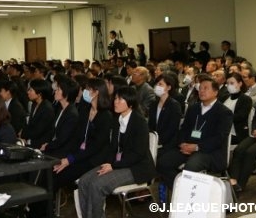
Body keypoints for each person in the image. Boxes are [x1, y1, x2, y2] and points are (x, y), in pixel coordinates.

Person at [77, 86, 156, 218]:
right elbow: (112, 147)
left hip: (137, 167)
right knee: (84, 182)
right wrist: (109, 163)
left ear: (130, 103)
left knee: (97, 185)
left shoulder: (139, 122)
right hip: (118, 163)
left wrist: (113, 165)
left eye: (120, 99)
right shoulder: (117, 119)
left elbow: (138, 154)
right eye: (115, 98)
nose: (115, 102)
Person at [156, 75, 233, 187]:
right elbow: (183, 129)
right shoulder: (194, 108)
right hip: (187, 148)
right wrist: (182, 143)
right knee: (163, 162)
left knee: (191, 166)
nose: (201, 91)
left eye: (205, 88)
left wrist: (197, 147)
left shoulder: (224, 112)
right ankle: (180, 189)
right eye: (200, 88)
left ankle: (186, 191)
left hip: (209, 152)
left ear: (216, 92)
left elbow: (219, 138)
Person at [148, 73, 181, 157]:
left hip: (167, 144)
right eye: (156, 84)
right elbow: (150, 125)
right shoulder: (154, 104)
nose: (157, 86)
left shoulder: (174, 105)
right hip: (153, 141)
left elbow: (172, 129)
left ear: (169, 87)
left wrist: (158, 142)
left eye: (160, 84)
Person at [20, 78, 55, 149]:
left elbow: (38, 131)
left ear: (39, 94)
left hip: (40, 144)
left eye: (31, 90)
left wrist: (23, 134)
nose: (28, 92)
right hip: (31, 139)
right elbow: (30, 124)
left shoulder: (47, 109)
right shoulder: (34, 103)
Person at [223, 72, 252, 145]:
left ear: (240, 84)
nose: (229, 85)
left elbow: (240, 116)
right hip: (222, 130)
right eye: (227, 83)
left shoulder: (246, 99)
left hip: (235, 133)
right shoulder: (224, 97)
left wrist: (222, 117)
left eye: (232, 83)